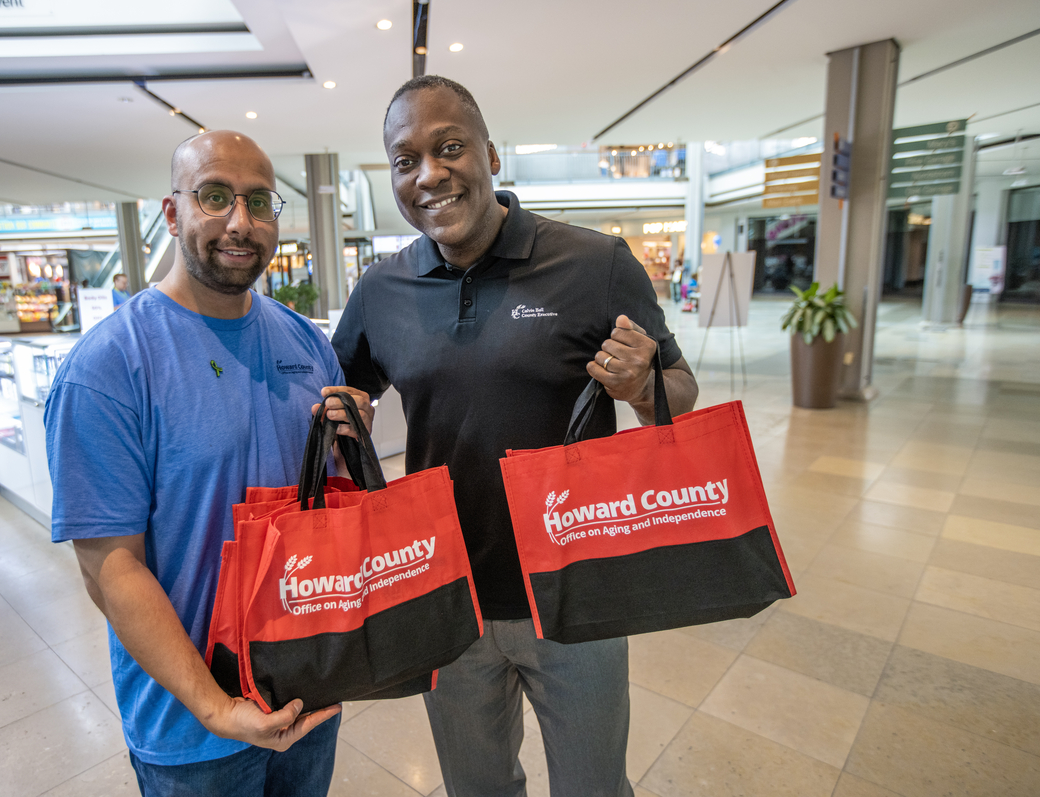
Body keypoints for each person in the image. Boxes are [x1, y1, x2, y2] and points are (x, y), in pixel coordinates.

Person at [331, 76, 699, 797]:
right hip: (446, 599)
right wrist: (343, 412)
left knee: (593, 787)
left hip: (573, 596)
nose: (429, 174)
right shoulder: (381, 289)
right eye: (405, 161)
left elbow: (678, 398)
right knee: (478, 788)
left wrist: (641, 384)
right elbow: (345, 394)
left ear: (491, 154)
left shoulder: (594, 265)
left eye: (449, 148)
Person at [46, 130, 363, 796]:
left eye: (259, 202)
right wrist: (216, 708)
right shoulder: (108, 367)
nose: (240, 224)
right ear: (172, 212)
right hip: (194, 732)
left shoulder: (306, 343)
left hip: (306, 694)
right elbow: (109, 567)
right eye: (215, 197)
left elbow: (328, 516)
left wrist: (351, 439)